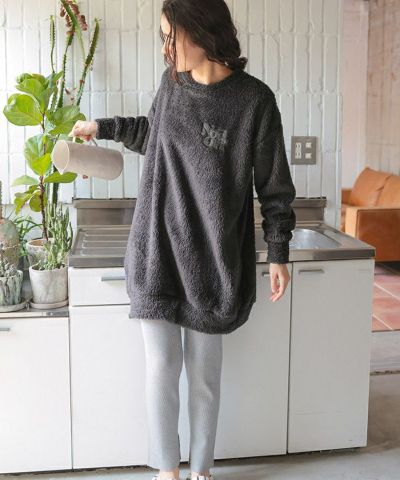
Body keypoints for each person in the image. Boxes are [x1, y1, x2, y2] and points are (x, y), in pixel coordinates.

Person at [69, 1, 296, 479]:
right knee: (161, 368)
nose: (165, 48)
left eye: (171, 37)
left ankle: (201, 471)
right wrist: (101, 128)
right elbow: (154, 135)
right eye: (162, 38)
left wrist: (279, 252)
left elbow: (274, 187)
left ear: (202, 31)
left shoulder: (254, 102)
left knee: (204, 378)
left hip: (213, 261)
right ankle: (167, 471)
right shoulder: (171, 85)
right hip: (156, 250)